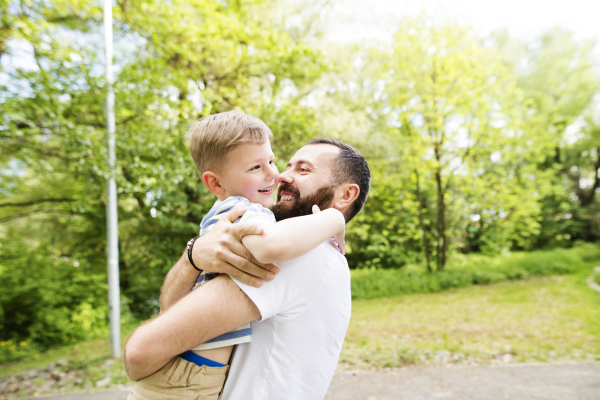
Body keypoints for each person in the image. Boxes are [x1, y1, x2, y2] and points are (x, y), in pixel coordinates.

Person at [124, 137, 371, 400]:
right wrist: (192, 256)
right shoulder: (322, 256)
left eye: (303, 169)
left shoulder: (300, 253)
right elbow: (171, 318)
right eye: (285, 166)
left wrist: (332, 217)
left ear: (346, 195)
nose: (281, 177)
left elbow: (141, 351)